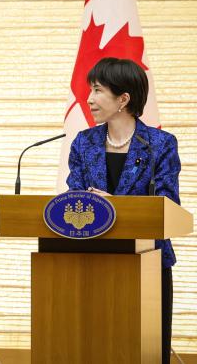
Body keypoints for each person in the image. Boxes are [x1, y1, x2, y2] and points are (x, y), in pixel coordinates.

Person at [67, 57, 180, 364]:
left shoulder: (160, 144)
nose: (89, 99)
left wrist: (113, 206)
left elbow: (167, 207)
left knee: (146, 352)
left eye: (97, 90)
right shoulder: (83, 143)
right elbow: (74, 196)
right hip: (91, 263)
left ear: (123, 99)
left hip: (149, 263)